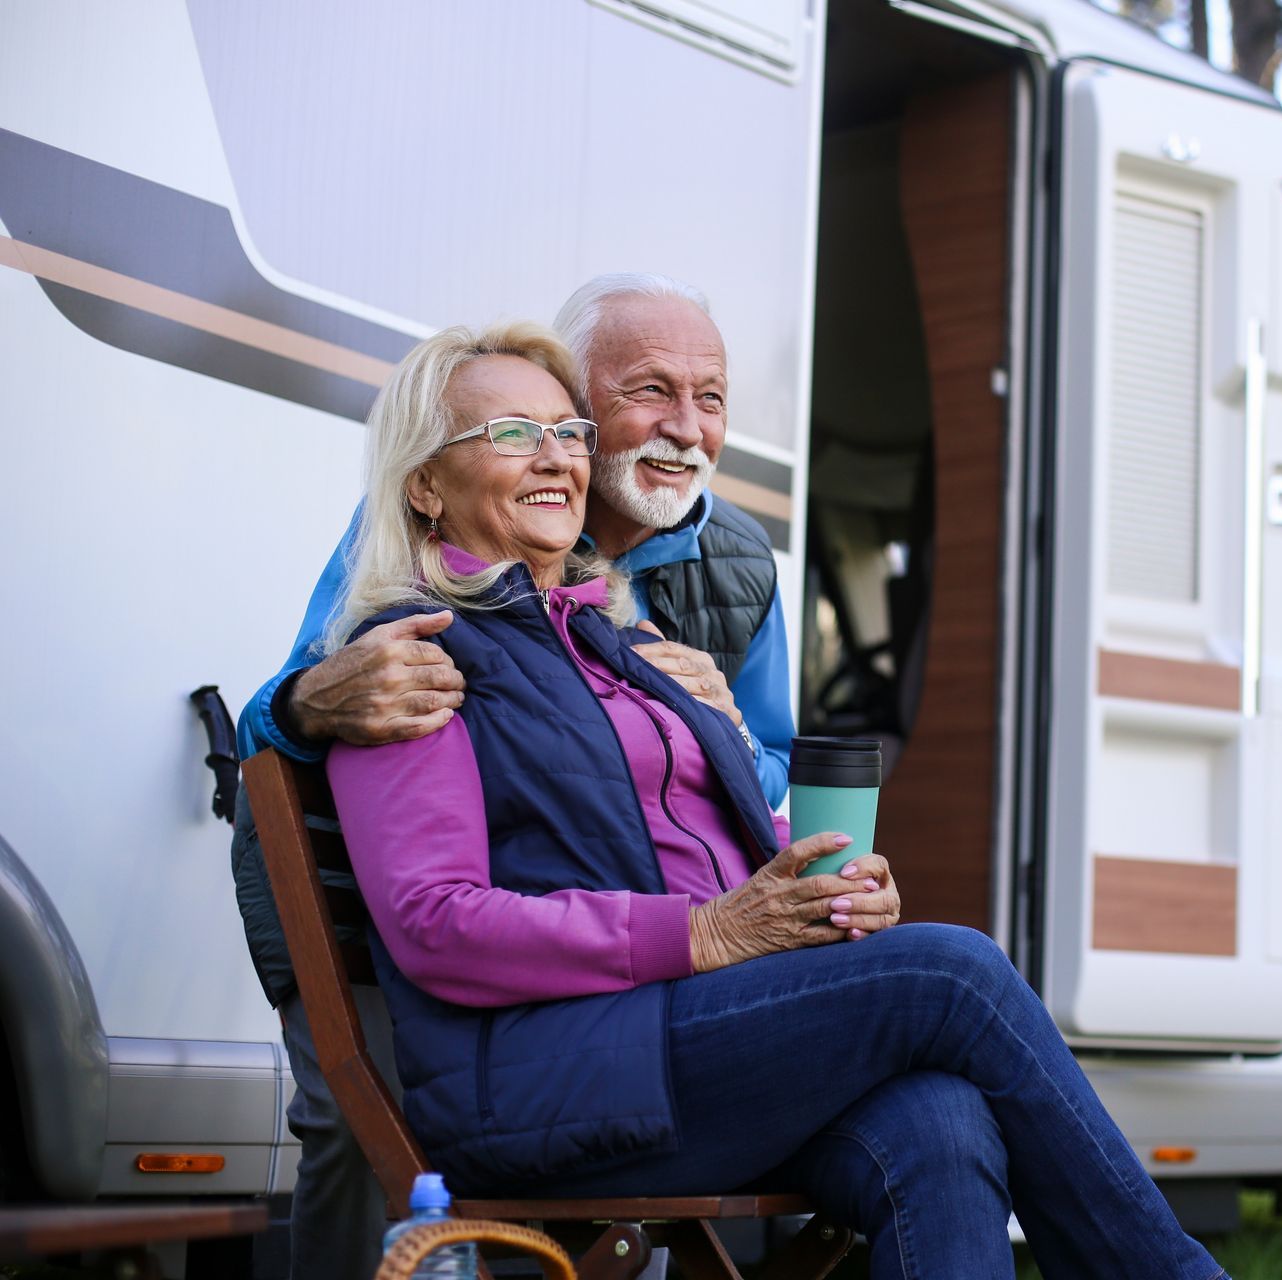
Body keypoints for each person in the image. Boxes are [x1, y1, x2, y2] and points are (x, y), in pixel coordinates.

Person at [321, 318, 1227, 1280]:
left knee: (939, 1121)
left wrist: (821, 887)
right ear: (425, 483)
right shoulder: (415, 660)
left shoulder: (615, 647)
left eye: (568, 433)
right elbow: (435, 923)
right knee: (949, 975)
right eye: (511, 434)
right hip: (545, 1079)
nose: (554, 457)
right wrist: (706, 933)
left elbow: (699, 836)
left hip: (680, 1042)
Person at [229, 275, 792, 1279]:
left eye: (711, 396)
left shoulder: (738, 562)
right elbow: (293, 700)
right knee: (360, 1131)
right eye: (650, 390)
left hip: (613, 936)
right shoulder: (454, 518)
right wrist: (314, 700)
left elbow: (774, 761)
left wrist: (726, 728)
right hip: (370, 911)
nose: (687, 426)